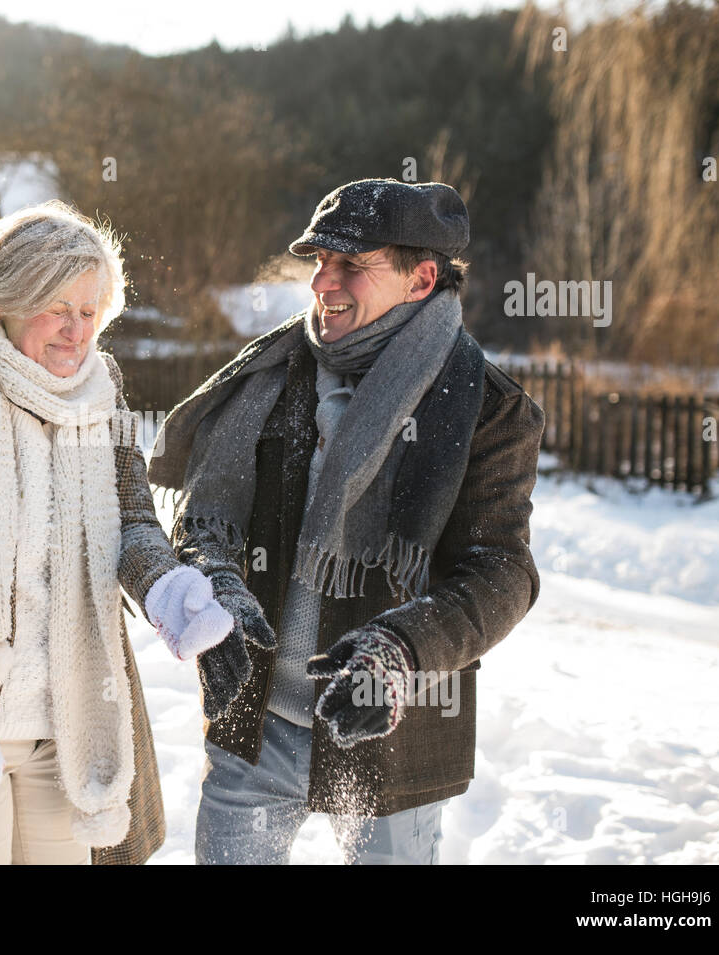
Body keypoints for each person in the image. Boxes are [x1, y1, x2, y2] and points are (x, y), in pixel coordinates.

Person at [149, 178, 546, 864]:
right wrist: (219, 585)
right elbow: (205, 523)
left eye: (351, 266)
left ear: (422, 278)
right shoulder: (270, 377)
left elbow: (502, 574)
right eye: (318, 262)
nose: (321, 283)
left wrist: (399, 652)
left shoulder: (487, 409)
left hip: (389, 737)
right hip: (255, 727)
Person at [0, 200, 234, 865]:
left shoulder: (100, 389)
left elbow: (131, 522)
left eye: (90, 312)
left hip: (68, 719)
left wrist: (168, 589)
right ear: (3, 302)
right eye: (58, 308)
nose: (77, 331)